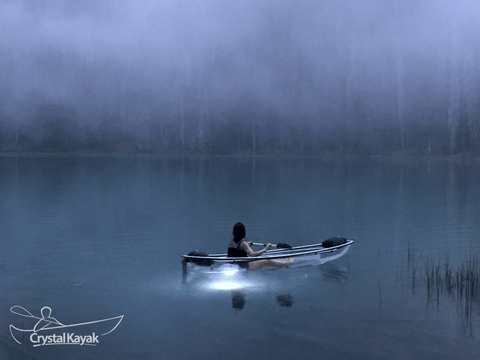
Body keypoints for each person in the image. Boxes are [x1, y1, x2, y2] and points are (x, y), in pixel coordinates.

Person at [227, 222, 293, 270]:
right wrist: (266, 248)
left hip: (239, 264)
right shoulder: (243, 244)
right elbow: (253, 254)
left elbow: (238, 250)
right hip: (246, 266)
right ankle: (286, 263)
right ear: (243, 232)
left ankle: (283, 261)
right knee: (267, 261)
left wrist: (247, 245)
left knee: (266, 258)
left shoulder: (232, 242)